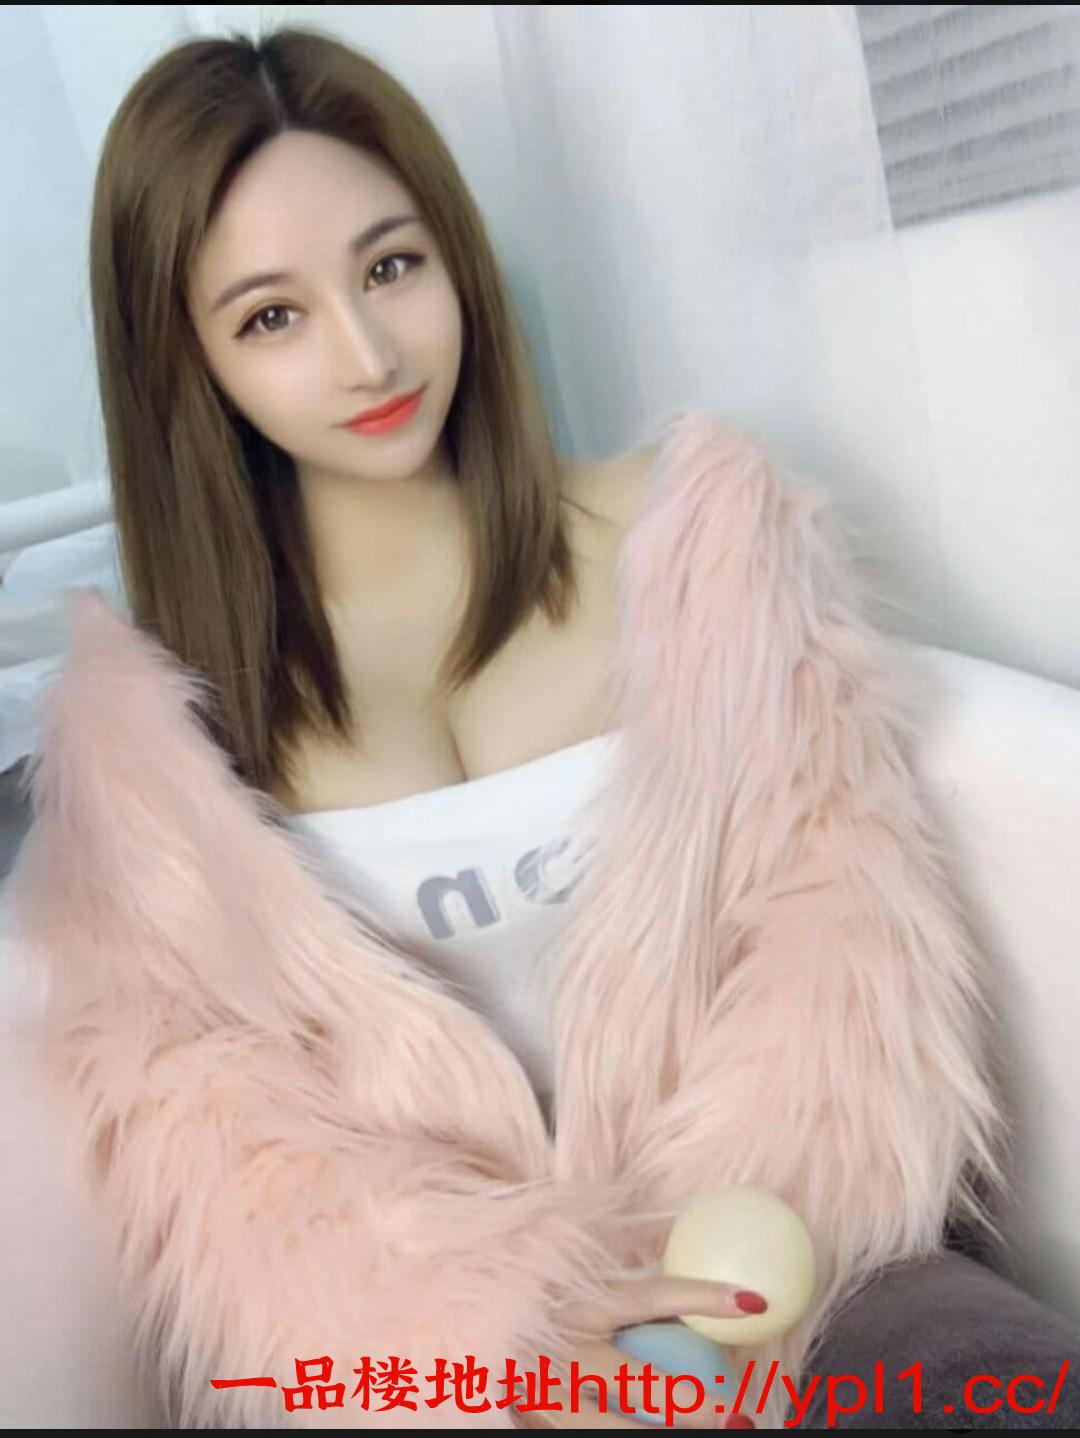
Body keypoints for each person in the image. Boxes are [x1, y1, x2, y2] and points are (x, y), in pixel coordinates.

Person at [5, 23, 1079, 1433]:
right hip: (442, 1367)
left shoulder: (691, 540)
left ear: (453, 256)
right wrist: (510, 1330)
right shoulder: (155, 738)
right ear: (186, 360)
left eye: (391, 267)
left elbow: (842, 921)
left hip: (809, 1266)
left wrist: (745, 1265)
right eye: (272, 317)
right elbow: (217, 1137)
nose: (368, 352)